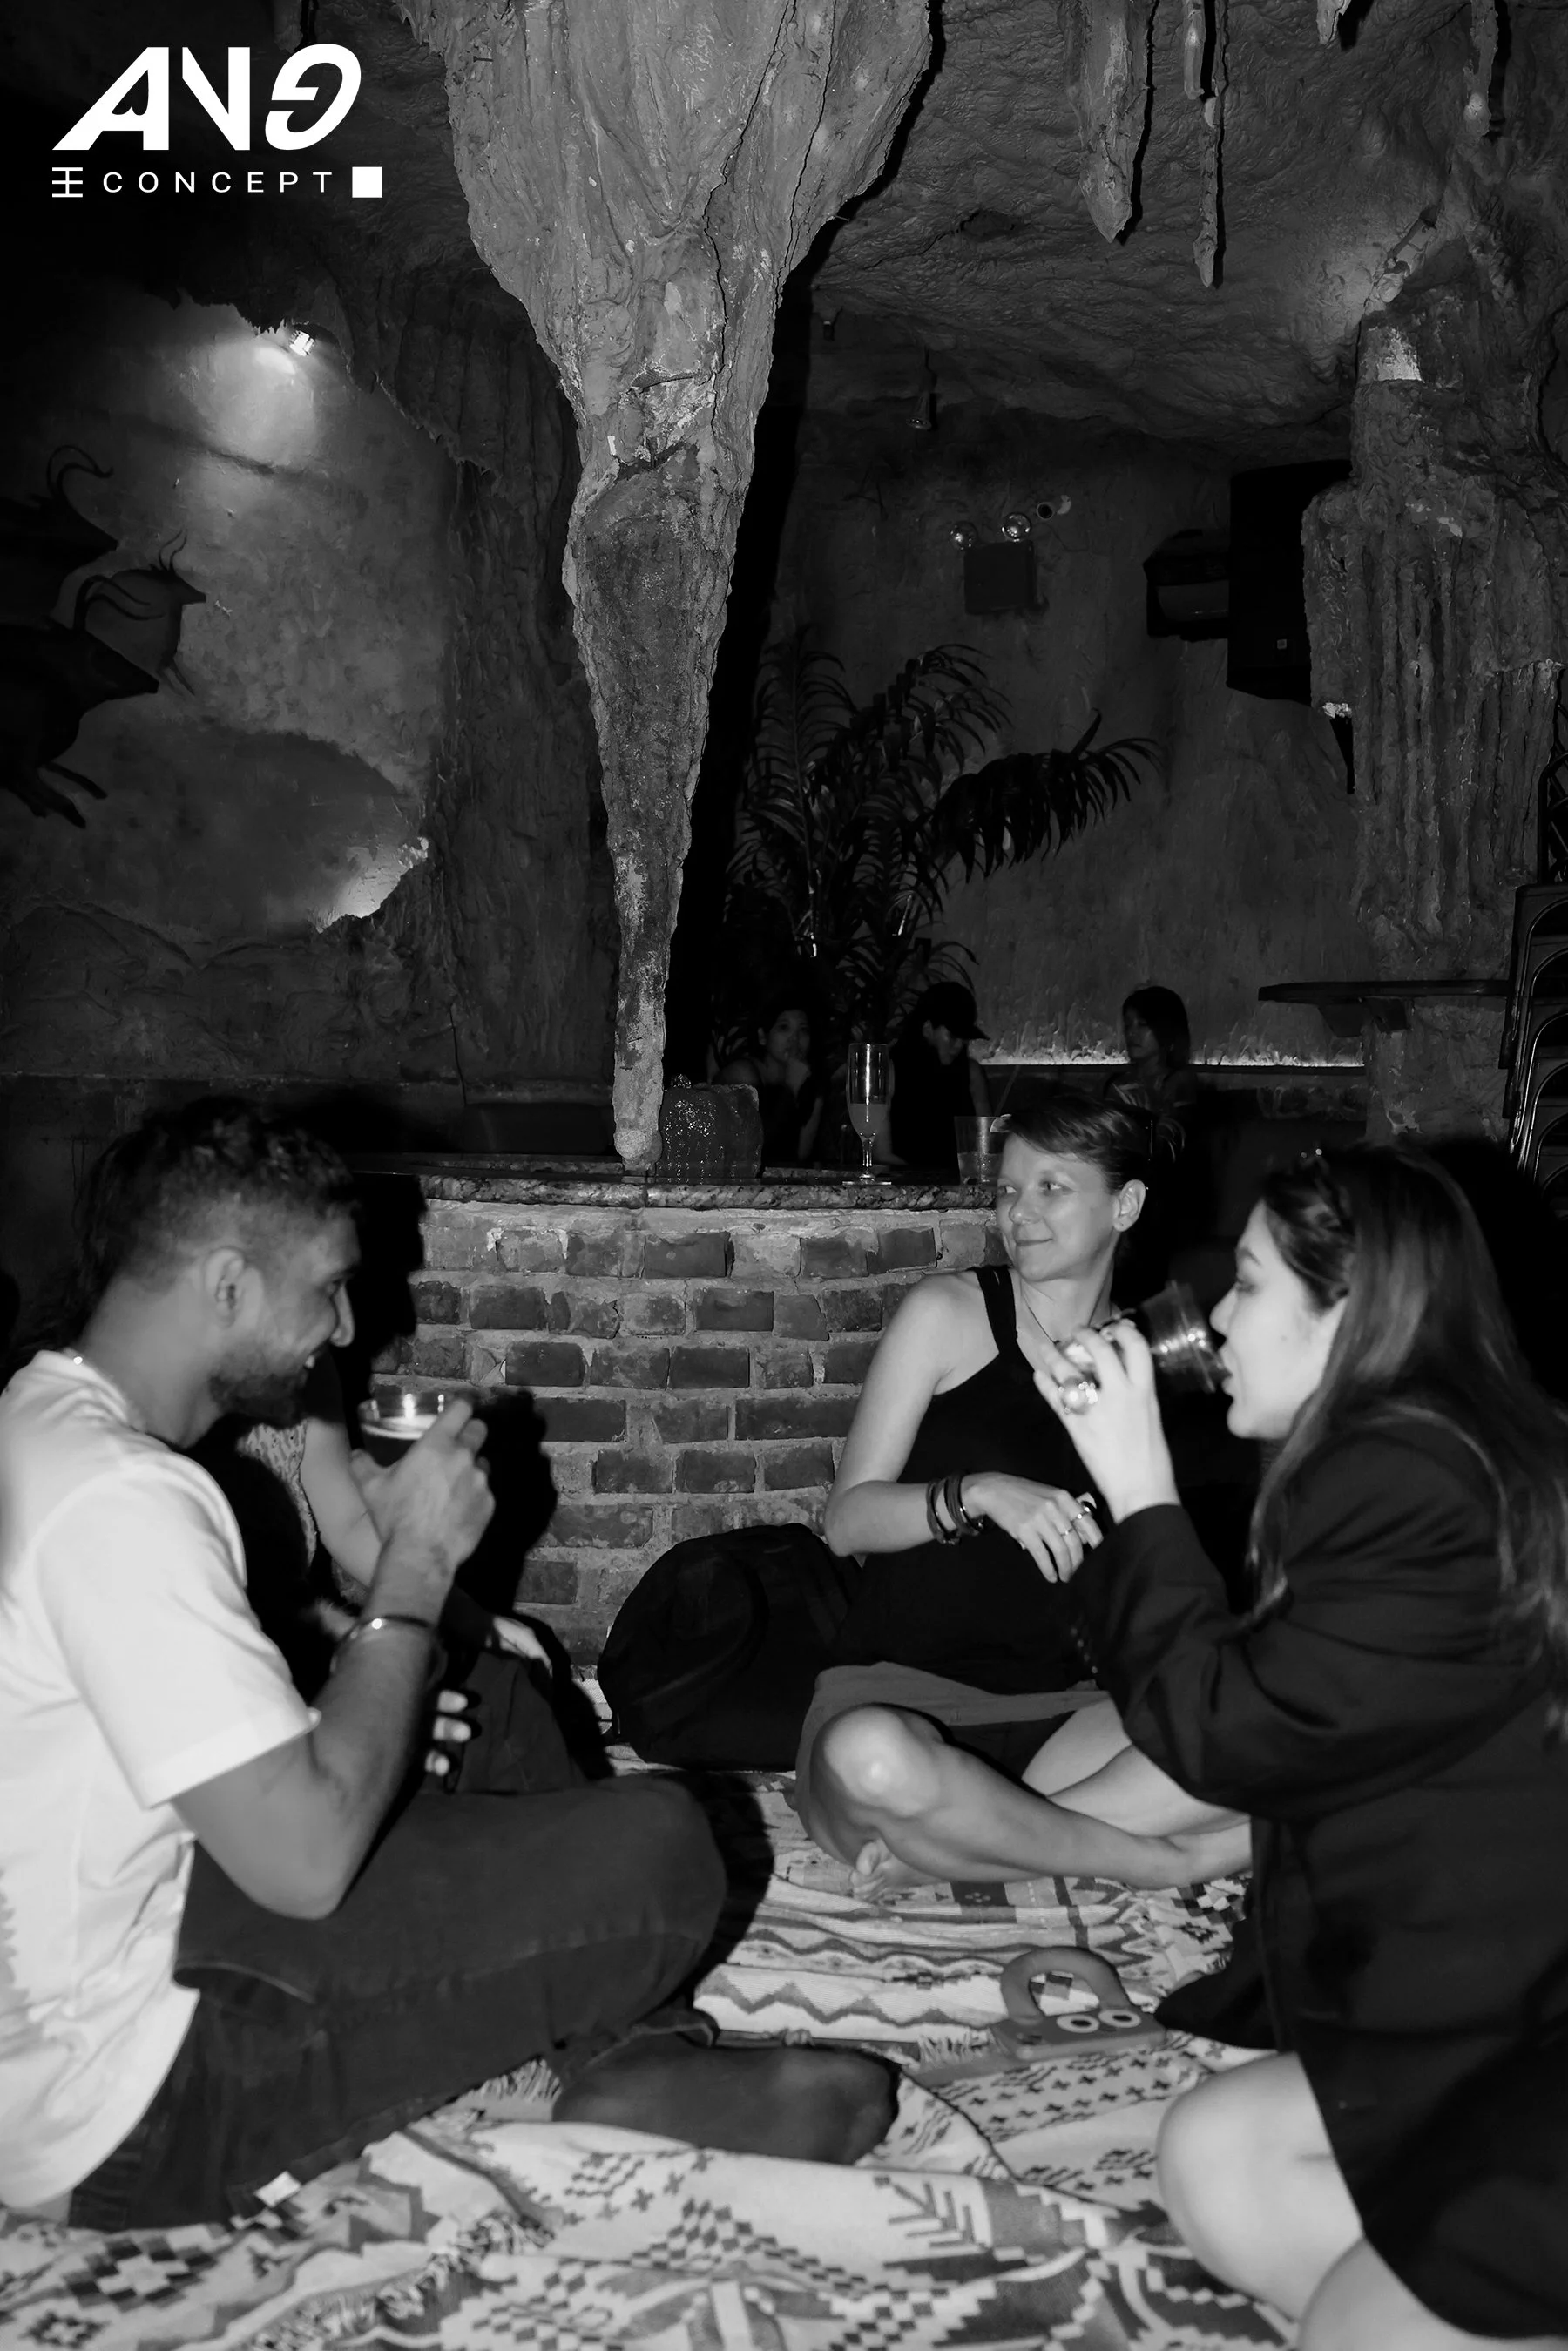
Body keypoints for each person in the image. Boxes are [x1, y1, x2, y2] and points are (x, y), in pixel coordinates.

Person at [0, 1101, 894, 2229]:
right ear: (227, 1285)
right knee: (668, 1843)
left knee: (496, 1701)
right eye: (324, 1287)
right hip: (140, 2102)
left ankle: (637, 2058)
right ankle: (637, 2052)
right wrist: (416, 1564)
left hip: (160, 1924)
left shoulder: (40, 1417)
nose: (337, 1329)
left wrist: (371, 1696)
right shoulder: (124, 1498)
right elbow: (308, 1863)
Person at [1029, 1146, 1568, 2348]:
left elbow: (1225, 1733)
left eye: (1253, 1282)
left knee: (1349, 2327)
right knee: (1217, 2155)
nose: (1215, 1312)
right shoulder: (1413, 1451)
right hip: (1491, 2000)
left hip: (1530, 2030)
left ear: (1351, 1312)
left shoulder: (1418, 1481)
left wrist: (1137, 1486)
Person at [797, 1090, 1255, 1898]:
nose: (1019, 1211)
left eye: (1052, 1186)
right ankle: (1152, 1857)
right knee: (870, 1757)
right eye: (1008, 1189)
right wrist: (976, 1492)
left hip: (1075, 1713)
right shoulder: (947, 1312)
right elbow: (845, 1523)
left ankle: (967, 1840)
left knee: (1246, 1735)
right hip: (902, 1698)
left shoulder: (1167, 1354)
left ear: (1127, 1203)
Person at [878, 980, 990, 1173]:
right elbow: (881, 1154)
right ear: (927, 1028)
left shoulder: (971, 1074)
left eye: (964, 1038)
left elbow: (985, 1150)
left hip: (961, 1190)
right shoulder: (890, 1071)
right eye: (953, 1037)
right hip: (902, 1188)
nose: (960, 1045)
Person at [720, 997, 822, 1164]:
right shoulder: (743, 1074)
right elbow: (752, 1149)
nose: (795, 1039)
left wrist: (806, 1094)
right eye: (784, 1028)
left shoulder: (807, 1081)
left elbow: (800, 1156)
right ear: (763, 1036)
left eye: (803, 1030)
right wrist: (790, 1089)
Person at [1108, 984, 1199, 1118]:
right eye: (1128, 1025)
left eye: (1143, 1024)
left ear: (1167, 1029)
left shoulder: (1178, 1083)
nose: (1131, 1033)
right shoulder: (1113, 1083)